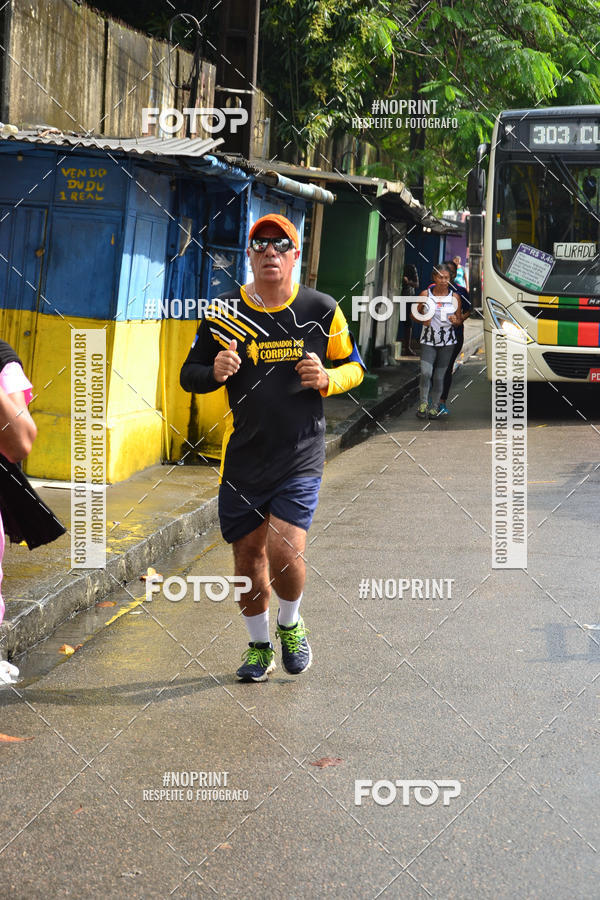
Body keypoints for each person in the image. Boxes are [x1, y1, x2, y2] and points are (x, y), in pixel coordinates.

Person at [180, 214, 365, 682]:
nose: (269, 252)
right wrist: (214, 371)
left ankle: (291, 624)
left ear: (294, 255)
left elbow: (355, 366)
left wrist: (328, 379)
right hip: (243, 458)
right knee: (248, 559)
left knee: (284, 550)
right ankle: (259, 645)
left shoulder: (321, 309)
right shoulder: (224, 310)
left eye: (280, 245)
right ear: (250, 254)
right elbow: (190, 373)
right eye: (260, 244)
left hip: (300, 454)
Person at [413, 263, 462, 419]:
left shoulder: (454, 297)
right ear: (434, 277)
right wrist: (422, 320)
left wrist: (455, 320)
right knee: (426, 373)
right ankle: (422, 404)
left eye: (446, 278)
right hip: (428, 341)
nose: (443, 280)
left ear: (450, 279)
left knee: (439, 376)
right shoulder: (425, 295)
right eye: (440, 277)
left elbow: (459, 320)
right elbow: (413, 314)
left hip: (447, 343)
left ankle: (434, 407)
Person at [438, 259, 471, 415]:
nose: (448, 274)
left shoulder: (461, 291)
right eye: (445, 271)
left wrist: (459, 320)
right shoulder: (432, 290)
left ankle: (442, 401)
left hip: (455, 335)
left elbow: (469, 310)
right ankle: (430, 399)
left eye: (451, 272)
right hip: (435, 335)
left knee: (446, 367)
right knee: (432, 368)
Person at [397, 264, 419, 355]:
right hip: (395, 296)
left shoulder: (410, 267)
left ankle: (407, 348)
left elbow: (417, 284)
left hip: (406, 298)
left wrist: (408, 281)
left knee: (407, 323)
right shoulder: (395, 267)